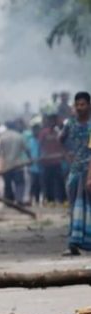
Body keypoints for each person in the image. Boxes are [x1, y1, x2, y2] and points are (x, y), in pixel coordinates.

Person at [60, 91, 91, 256]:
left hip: (89, 170)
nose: (80, 108)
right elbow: (61, 140)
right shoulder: (70, 123)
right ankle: (73, 243)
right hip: (75, 170)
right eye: (77, 104)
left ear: (89, 105)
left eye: (83, 104)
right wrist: (68, 157)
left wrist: (89, 176)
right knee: (74, 208)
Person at [0, 121, 30, 204]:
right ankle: (19, 199)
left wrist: (0, 166)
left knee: (7, 184)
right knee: (19, 183)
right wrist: (30, 159)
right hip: (18, 165)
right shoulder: (19, 136)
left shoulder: (3, 137)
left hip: (6, 165)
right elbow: (26, 149)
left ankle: (8, 201)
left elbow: (0, 153)